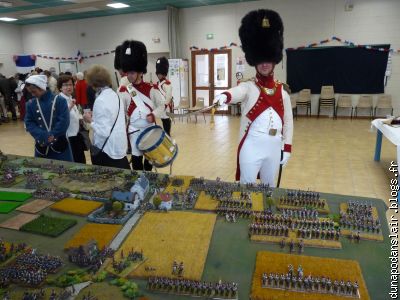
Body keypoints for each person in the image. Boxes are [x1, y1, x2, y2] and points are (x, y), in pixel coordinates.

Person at [213, 9, 293, 186]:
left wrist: (287, 147)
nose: (264, 64)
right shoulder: (249, 87)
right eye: (260, 59)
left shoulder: (283, 92)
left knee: (269, 188)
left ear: (274, 60)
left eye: (268, 59)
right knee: (246, 190)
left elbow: (288, 123)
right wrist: (225, 96)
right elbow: (237, 92)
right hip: (252, 146)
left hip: (274, 148)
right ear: (254, 60)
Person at [119, 40, 166, 171]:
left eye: (132, 73)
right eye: (127, 73)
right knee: (136, 159)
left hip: (149, 129)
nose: (129, 76)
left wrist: (154, 114)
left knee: (149, 158)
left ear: (140, 72)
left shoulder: (152, 88)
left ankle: (149, 180)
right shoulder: (124, 91)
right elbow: (121, 113)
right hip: (133, 130)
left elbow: (162, 106)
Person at [83, 64, 129, 169]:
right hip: (120, 145)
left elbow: (103, 132)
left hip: (107, 150)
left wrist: (90, 120)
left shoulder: (100, 100)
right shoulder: (116, 95)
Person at [24, 75, 73, 161]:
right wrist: (43, 135)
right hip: (41, 145)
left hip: (59, 145)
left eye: (34, 91)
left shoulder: (59, 100)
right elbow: (29, 123)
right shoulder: (30, 104)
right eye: (30, 92)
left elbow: (64, 122)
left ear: (41, 87)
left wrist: (53, 134)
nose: (32, 94)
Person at [58, 75, 86, 163]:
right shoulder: (59, 100)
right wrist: (70, 107)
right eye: (65, 85)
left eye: (70, 84)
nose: (69, 87)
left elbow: (74, 115)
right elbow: (60, 117)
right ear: (60, 88)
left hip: (76, 136)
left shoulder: (70, 98)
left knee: (81, 161)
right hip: (67, 138)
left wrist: (81, 118)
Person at [154, 57, 173, 135]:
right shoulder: (157, 83)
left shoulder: (167, 84)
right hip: (160, 106)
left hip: (165, 106)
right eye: (158, 74)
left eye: (160, 74)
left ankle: (168, 134)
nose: (159, 75)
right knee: (163, 119)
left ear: (164, 73)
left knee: (166, 120)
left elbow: (168, 96)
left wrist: (165, 105)